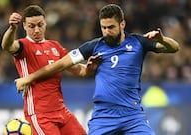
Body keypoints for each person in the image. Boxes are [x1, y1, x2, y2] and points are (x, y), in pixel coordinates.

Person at [14, 4, 180, 135]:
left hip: (132, 114)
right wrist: (29, 78)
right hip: (104, 115)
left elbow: (174, 48)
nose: (107, 32)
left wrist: (163, 39)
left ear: (122, 24)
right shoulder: (94, 46)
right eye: (103, 27)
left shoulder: (139, 43)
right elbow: (60, 64)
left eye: (111, 27)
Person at [1, 5, 92, 135]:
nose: (37, 30)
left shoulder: (55, 46)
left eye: (40, 25)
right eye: (32, 26)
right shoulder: (23, 46)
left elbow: (80, 71)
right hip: (40, 115)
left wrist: (92, 65)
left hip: (61, 111)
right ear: (25, 26)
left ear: (45, 24)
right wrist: (12, 28)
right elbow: (7, 45)